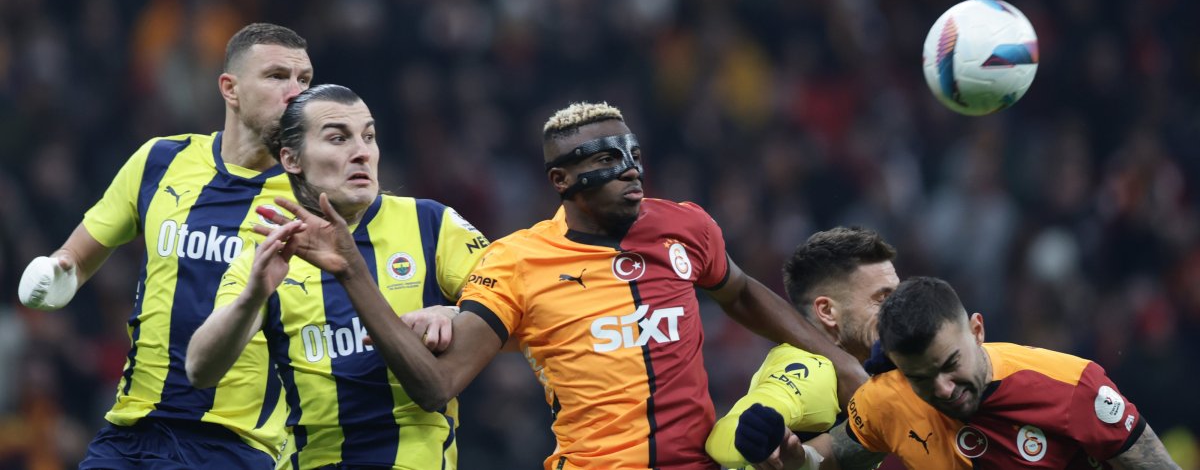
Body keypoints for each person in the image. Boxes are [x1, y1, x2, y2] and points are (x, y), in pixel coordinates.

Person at [256, 101, 868, 470]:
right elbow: (435, 386)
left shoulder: (683, 225)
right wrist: (356, 274)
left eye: (631, 153)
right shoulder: (517, 262)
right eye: (606, 160)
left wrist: (837, 358)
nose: (629, 171)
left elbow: (738, 291)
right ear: (561, 180)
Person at [16, 23, 313, 469]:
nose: (296, 92)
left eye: (305, 80)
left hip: (233, 445)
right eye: (277, 77)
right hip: (130, 432)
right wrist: (56, 272)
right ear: (230, 89)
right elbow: (75, 257)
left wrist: (446, 310)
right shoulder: (160, 160)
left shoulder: (312, 198)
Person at [186, 84, 491, 470]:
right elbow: (199, 369)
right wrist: (252, 298)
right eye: (338, 138)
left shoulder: (431, 222)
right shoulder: (270, 251)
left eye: (369, 136)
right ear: (291, 159)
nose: (362, 151)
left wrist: (454, 313)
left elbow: (520, 313)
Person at [785, 277, 1181, 469]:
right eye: (921, 378)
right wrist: (791, 454)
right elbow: (832, 456)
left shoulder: (1073, 387)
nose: (942, 388)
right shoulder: (887, 397)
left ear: (977, 330)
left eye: (951, 365)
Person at [704, 226, 899, 469]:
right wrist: (750, 438)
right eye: (881, 299)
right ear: (828, 312)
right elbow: (724, 434)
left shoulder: (880, 378)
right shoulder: (813, 370)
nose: (897, 310)